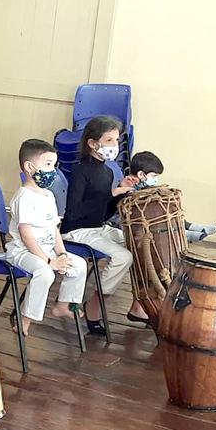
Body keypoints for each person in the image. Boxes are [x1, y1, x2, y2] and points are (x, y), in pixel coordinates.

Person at [61, 115, 143, 329]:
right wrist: (110, 193)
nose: (114, 146)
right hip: (76, 231)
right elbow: (74, 212)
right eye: (109, 141)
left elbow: (104, 214)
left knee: (139, 242)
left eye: (116, 141)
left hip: (98, 228)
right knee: (123, 256)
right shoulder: (80, 171)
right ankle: (95, 304)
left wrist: (118, 194)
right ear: (92, 143)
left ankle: (140, 304)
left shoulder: (107, 172)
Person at [7, 138, 87, 336]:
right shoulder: (24, 197)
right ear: (29, 167)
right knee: (45, 273)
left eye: (54, 165)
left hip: (48, 250)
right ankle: (25, 319)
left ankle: (63, 305)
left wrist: (62, 253)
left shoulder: (48, 196)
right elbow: (26, 236)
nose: (52, 171)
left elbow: (54, 229)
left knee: (78, 265)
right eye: (48, 165)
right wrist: (49, 261)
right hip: (23, 252)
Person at [125, 151, 216, 244]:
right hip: (138, 222)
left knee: (167, 206)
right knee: (158, 210)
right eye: (154, 176)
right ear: (141, 174)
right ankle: (182, 233)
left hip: (149, 219)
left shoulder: (144, 186)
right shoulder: (129, 185)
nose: (155, 180)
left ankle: (189, 226)